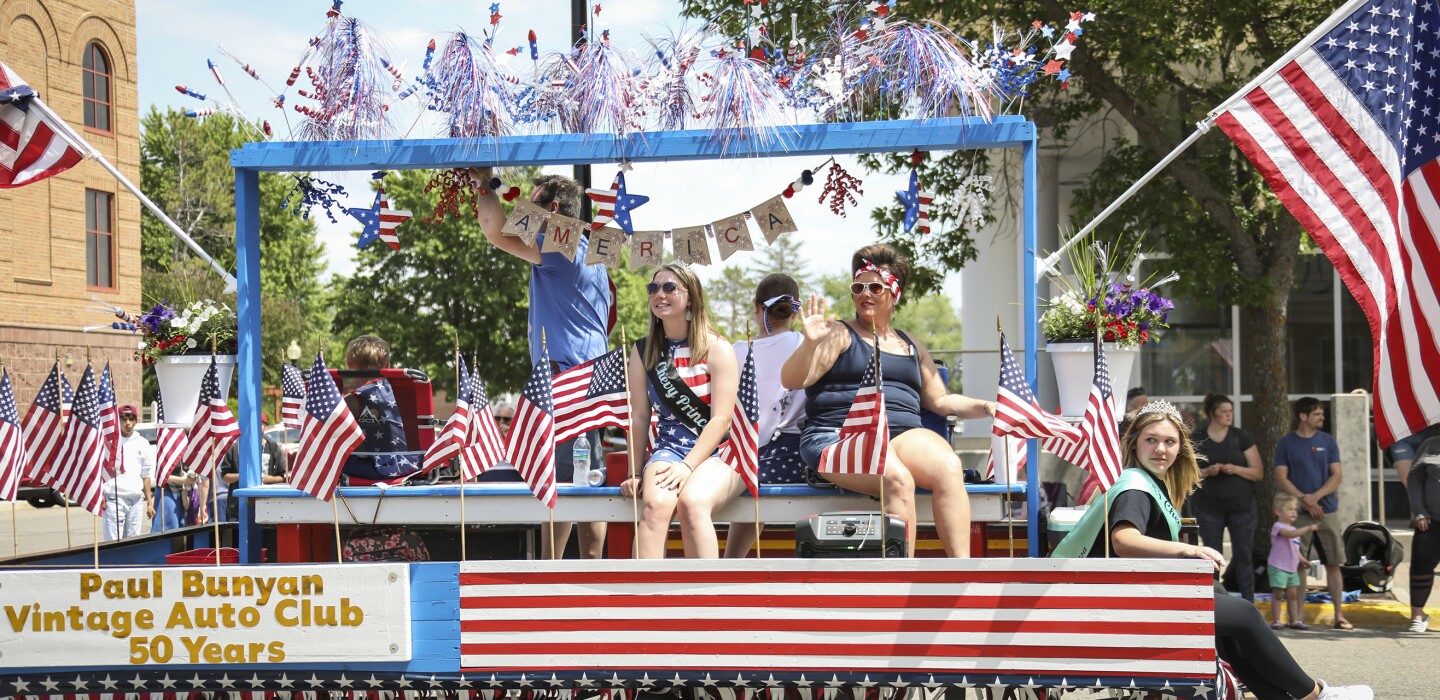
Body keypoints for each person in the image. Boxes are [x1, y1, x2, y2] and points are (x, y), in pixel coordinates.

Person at [1052, 402, 1373, 700]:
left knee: (1228, 622)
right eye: (1151, 440)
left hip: (1128, 599)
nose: (1161, 449)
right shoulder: (1134, 486)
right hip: (1119, 607)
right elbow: (1124, 540)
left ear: (1180, 448)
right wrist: (1188, 551)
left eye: (1169, 442)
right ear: (1135, 443)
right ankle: (1316, 695)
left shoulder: (1147, 481)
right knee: (1244, 615)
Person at [783, 244, 993, 557]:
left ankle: (961, 574)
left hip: (901, 436)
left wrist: (988, 406)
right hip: (838, 435)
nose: (865, 294)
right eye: (858, 288)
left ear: (894, 293)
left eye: (875, 288)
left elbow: (941, 400)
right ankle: (900, 579)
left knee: (949, 467)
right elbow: (793, 380)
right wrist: (809, 344)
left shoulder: (911, 344)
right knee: (898, 478)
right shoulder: (838, 334)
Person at [476, 167, 613, 560]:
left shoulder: (558, 248)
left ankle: (549, 573)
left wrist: (484, 184)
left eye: (530, 203)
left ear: (551, 210)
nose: (521, 209)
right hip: (589, 377)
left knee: (563, 481)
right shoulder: (592, 252)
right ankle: (588, 569)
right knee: (587, 477)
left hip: (568, 379)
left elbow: (494, 231)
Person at [677, 273, 807, 558]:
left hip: (748, 451)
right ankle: (730, 562)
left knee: (708, 494)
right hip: (792, 457)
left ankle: (724, 568)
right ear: (795, 312)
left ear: (756, 307)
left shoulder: (736, 350)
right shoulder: (807, 344)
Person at [624, 262, 738, 558]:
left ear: (691, 297)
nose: (659, 294)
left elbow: (722, 419)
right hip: (669, 448)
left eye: (669, 287)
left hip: (720, 453)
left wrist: (687, 466)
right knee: (655, 505)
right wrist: (634, 473)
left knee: (691, 503)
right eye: (653, 288)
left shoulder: (717, 348)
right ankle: (644, 587)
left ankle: (703, 587)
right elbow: (639, 416)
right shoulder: (643, 350)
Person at [1275, 397, 1354, 630]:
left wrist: (1315, 497)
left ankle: (1339, 615)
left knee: (1334, 562)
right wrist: (1303, 499)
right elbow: (1281, 477)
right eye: (1317, 414)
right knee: (1298, 564)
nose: (1322, 417)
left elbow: (1337, 476)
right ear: (1303, 416)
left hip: (1326, 510)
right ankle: (1298, 616)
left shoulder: (1328, 442)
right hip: (1297, 512)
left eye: (1322, 413)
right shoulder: (1286, 443)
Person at [1192, 392, 1264, 600]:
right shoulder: (1198, 438)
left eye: (1230, 411)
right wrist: (1207, 472)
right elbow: (1186, 475)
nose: (1228, 415)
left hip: (1242, 508)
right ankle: (1215, 602)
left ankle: (1248, 603)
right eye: (1223, 411)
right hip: (1208, 508)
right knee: (1212, 557)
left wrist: (1235, 469)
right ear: (1212, 414)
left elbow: (1258, 473)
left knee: (1244, 556)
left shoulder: (1241, 437)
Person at [342, 335, 416, 482]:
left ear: (349, 365)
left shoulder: (351, 401)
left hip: (369, 470)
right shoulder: (406, 395)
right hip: (410, 466)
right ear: (387, 366)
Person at [219, 413, 288, 521]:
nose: (256, 426)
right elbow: (225, 477)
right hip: (239, 508)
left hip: (268, 507)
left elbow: (282, 477)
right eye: (253, 423)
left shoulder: (274, 448)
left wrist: (268, 478)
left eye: (260, 424)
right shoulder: (235, 448)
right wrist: (243, 476)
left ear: (265, 427)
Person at [102, 405, 155, 540]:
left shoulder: (143, 443)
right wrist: (100, 494)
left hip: (136, 500)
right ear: (118, 421)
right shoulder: (109, 441)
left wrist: (149, 503)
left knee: (133, 542)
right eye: (124, 419)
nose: (127, 423)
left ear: (135, 421)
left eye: (131, 419)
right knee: (113, 543)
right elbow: (100, 470)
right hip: (114, 498)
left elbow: (145, 475)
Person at [1269, 493, 1320, 630]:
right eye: (1290, 509)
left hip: (1291, 568)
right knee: (1278, 595)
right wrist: (1308, 528)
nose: (1294, 512)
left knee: (1293, 596)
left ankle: (1294, 620)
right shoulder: (1278, 526)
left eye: (1295, 509)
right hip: (1278, 567)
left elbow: (1295, 549)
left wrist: (1303, 560)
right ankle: (1276, 620)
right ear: (1278, 512)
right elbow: (1289, 535)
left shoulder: (1294, 529)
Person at [1407, 436, 1440, 633]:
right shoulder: (1430, 445)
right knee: (1421, 567)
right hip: (1431, 520)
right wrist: (1419, 510)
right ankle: (1418, 615)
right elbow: (1414, 478)